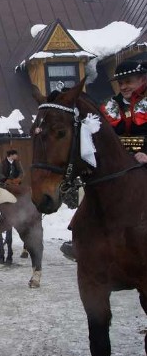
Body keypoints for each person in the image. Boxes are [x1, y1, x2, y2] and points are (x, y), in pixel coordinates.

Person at [61, 59, 147, 260]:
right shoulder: (110, 105)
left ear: (143, 79)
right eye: (121, 82)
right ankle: (81, 237)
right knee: (92, 189)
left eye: (128, 81)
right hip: (116, 163)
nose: (123, 86)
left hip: (144, 160)